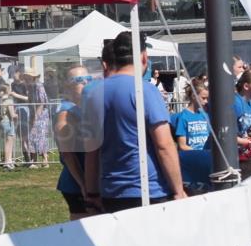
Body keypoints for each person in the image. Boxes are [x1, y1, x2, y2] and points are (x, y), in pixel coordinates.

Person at [82, 31, 187, 213]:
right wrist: (178, 191)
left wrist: (91, 194)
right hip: (148, 190)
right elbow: (164, 145)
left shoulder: (94, 94)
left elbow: (91, 150)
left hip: (111, 192)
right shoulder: (146, 91)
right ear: (144, 58)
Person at [55, 65, 93, 219]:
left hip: (89, 179)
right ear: (68, 86)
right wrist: (83, 185)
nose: (85, 83)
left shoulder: (84, 107)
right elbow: (67, 154)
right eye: (79, 80)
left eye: (88, 79)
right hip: (76, 182)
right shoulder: (66, 112)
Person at [173, 81, 209, 151]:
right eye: (203, 98)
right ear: (193, 96)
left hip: (205, 156)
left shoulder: (205, 115)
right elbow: (182, 145)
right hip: (192, 157)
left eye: (207, 99)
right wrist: (198, 153)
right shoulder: (183, 117)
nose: (206, 101)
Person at [26, 72, 51, 167]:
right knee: (32, 136)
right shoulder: (31, 86)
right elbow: (30, 100)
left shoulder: (39, 86)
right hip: (33, 113)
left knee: (41, 136)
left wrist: (36, 116)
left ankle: (45, 159)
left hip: (41, 115)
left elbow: (41, 102)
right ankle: (33, 159)